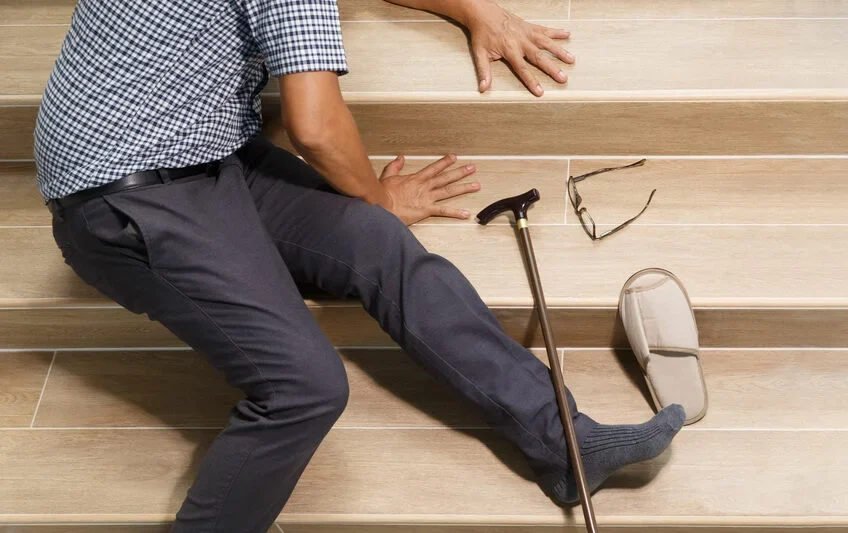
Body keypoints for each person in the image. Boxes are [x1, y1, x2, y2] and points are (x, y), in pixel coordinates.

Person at [35, 1, 685, 531]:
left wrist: (467, 9)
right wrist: (379, 191)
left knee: (373, 239)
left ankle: (567, 444)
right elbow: (314, 125)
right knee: (307, 386)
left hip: (202, 153)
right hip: (121, 198)